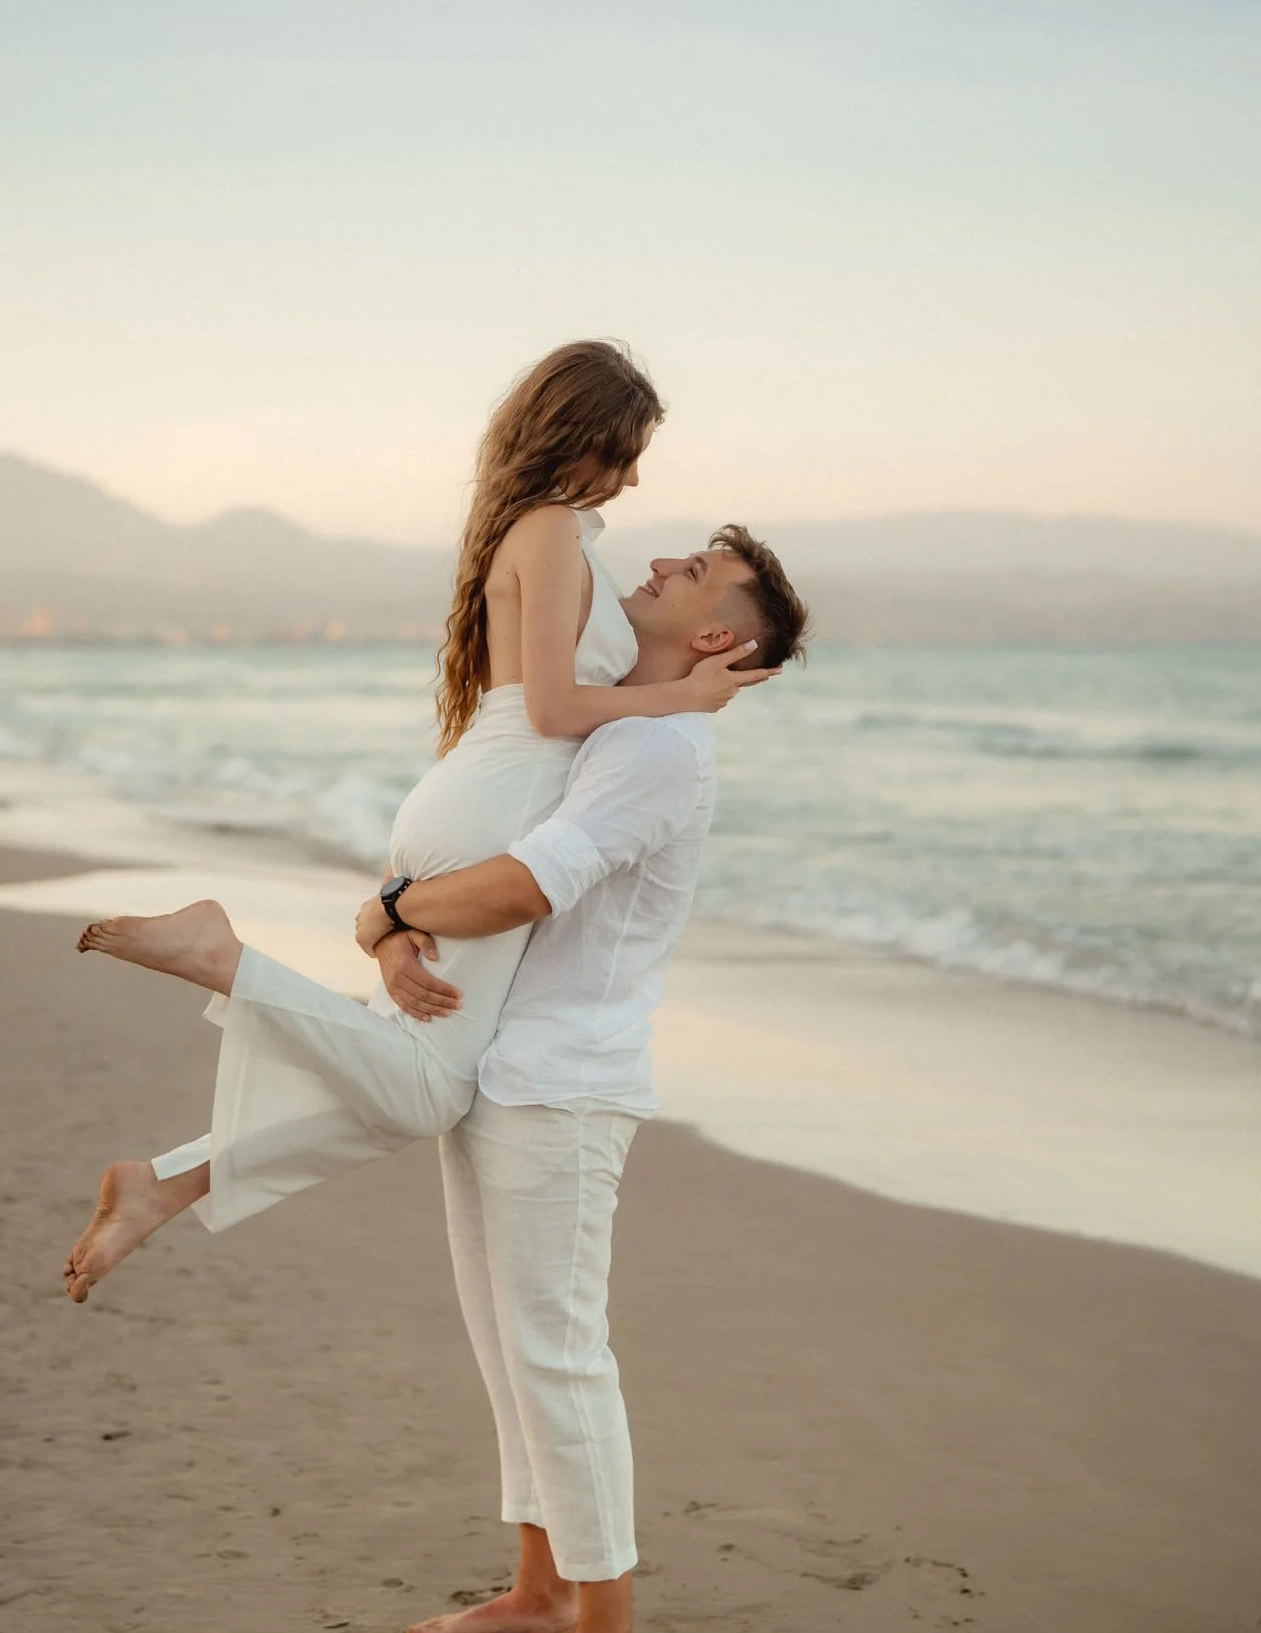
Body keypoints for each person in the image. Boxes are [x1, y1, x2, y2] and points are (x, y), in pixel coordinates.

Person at [64, 524, 810, 1633]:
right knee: (508, 1349)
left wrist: (389, 907)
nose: (665, 558)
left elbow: (523, 882)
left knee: (561, 1355)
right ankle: (541, 1588)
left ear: (719, 633)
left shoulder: (661, 748)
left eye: (698, 571)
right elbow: (495, 854)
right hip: (505, 1059)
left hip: (564, 1086)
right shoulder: (630, 717)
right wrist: (386, 923)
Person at [66, 340, 769, 1292]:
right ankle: (219, 958)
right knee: (426, 1093)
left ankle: (168, 1182)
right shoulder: (556, 530)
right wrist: (682, 699)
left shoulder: (543, 530)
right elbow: (556, 711)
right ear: (583, 434)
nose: (634, 476)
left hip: (480, 792)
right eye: (628, 448)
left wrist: (397, 916)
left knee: (401, 1065)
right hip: (504, 795)